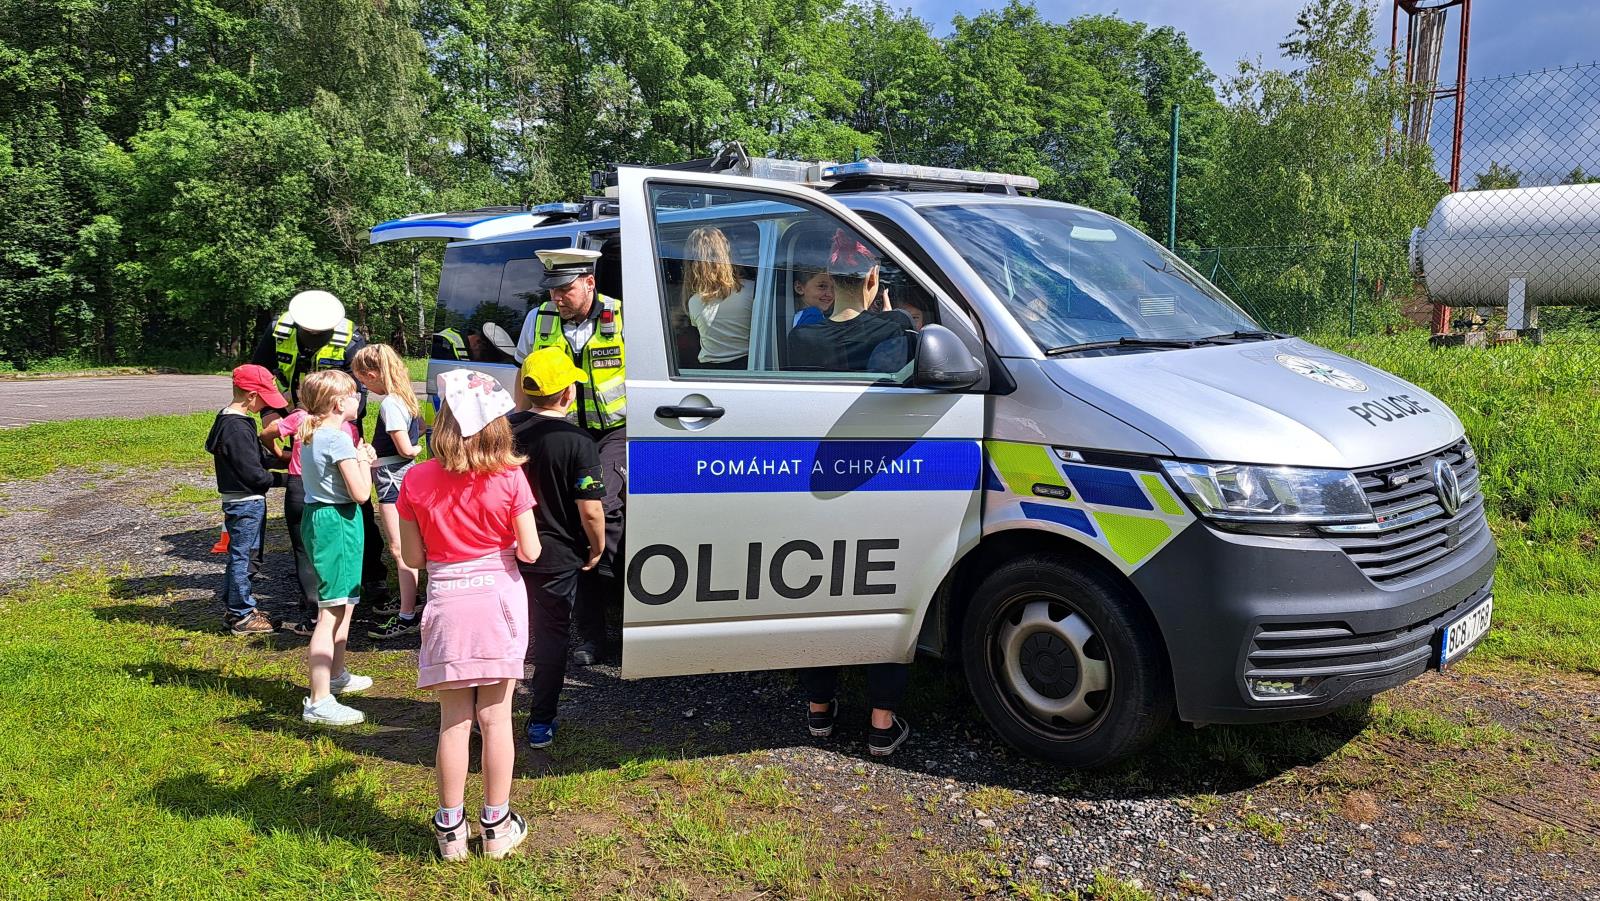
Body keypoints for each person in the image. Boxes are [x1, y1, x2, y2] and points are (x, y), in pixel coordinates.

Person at [397, 369, 540, 861]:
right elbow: (531, 551)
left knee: (453, 722)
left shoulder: (415, 478)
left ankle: (450, 830)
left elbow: (413, 558)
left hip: (446, 602)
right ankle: (497, 826)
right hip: (498, 601)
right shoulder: (510, 477)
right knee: (497, 719)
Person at [514, 247, 625, 666]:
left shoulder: (624, 317)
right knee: (552, 514)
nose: (557, 298)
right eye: (553, 290)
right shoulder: (538, 319)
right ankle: (589, 632)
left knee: (601, 507)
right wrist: (520, 427)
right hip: (558, 429)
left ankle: (616, 605)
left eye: (566, 289)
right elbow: (525, 378)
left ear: (590, 282)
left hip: (615, 431)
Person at [253, 290, 389, 626]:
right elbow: (259, 371)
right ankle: (318, 606)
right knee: (314, 528)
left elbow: (358, 396)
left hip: (327, 423)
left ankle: (372, 578)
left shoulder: (349, 340)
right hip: (303, 417)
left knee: (357, 518)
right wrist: (274, 412)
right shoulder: (279, 329)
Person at [508, 348, 608, 750]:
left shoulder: (502, 430)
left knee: (506, 633)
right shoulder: (578, 440)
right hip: (557, 555)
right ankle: (540, 722)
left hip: (504, 549)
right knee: (550, 637)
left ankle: (485, 715)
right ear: (568, 392)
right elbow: (592, 510)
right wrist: (597, 547)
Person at [295, 369, 378, 727]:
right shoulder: (339, 440)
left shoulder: (314, 434)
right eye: (353, 394)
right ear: (337, 402)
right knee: (330, 611)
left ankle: (337, 673)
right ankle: (318, 699)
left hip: (323, 518)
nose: (358, 399)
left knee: (344, 603)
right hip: (338, 523)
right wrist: (365, 461)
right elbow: (361, 493)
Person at [205, 364, 289, 635]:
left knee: (245, 555)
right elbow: (254, 474)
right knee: (244, 557)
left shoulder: (228, 420)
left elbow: (254, 459)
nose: (266, 406)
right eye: (264, 399)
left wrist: (287, 459)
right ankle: (241, 613)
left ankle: (236, 608)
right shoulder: (237, 428)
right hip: (246, 502)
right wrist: (288, 480)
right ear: (251, 396)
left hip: (239, 500)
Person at [351, 344, 424, 641]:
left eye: (364, 381)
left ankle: (408, 615)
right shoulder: (406, 396)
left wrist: (416, 449)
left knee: (400, 548)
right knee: (409, 543)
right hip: (399, 475)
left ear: (372, 374)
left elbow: (405, 447)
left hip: (393, 477)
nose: (364, 386)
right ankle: (410, 600)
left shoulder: (390, 404)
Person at [787, 230, 916, 373]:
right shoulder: (896, 325)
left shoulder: (800, 337)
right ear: (873, 277)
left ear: (830, 275)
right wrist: (888, 319)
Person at [683, 226, 754, 370]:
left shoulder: (693, 303)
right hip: (749, 367)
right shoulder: (753, 290)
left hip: (709, 372)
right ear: (726, 254)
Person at [791, 263, 836, 328]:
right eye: (822, 286)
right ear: (799, 288)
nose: (830, 294)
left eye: (834, 287)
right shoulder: (813, 316)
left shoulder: (802, 316)